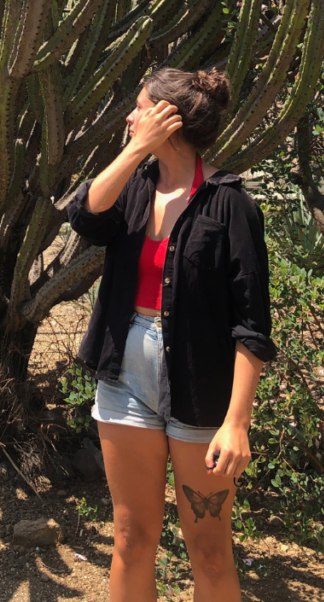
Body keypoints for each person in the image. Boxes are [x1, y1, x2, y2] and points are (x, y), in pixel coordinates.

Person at [67, 66, 276, 602]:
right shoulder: (133, 187)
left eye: (140, 108)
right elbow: (86, 217)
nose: (130, 117)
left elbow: (251, 327)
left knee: (208, 549)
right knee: (131, 538)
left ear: (168, 120)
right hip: (125, 375)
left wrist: (237, 423)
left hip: (199, 383)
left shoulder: (231, 206)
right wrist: (137, 150)